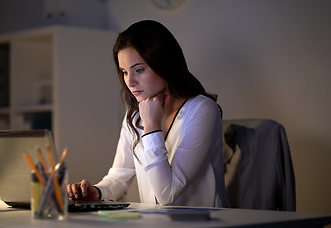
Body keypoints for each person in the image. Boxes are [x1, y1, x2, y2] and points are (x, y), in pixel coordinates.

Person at [67, 20, 229, 207]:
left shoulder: (203, 110)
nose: (130, 81)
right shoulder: (135, 114)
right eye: (124, 72)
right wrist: (96, 192)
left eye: (139, 70)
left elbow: (168, 195)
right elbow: (119, 176)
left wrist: (151, 127)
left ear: (164, 64)